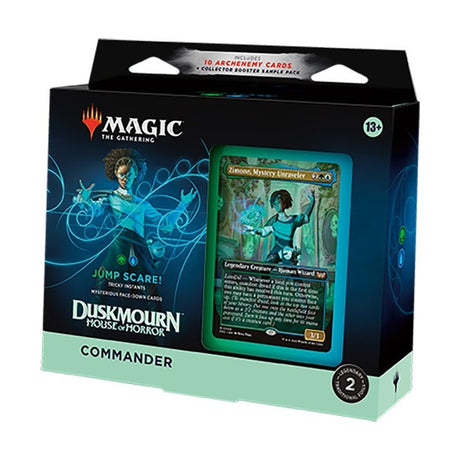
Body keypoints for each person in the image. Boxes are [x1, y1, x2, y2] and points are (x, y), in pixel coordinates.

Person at [74, 148, 196, 301]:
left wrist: (182, 205)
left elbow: (164, 224)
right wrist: (85, 201)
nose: (125, 178)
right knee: (100, 293)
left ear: (135, 174)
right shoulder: (111, 198)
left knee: (152, 297)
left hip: (140, 250)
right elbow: (95, 209)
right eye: (122, 174)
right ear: (116, 173)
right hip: (118, 248)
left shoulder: (143, 204)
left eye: (129, 174)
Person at [245, 189, 315, 265]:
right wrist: (255, 230)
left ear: (284, 203)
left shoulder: (293, 220)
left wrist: (312, 201)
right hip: (276, 252)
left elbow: (305, 218)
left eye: (278, 203)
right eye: (274, 204)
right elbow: (264, 231)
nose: (276, 205)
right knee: (265, 267)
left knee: (289, 269)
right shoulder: (273, 220)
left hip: (288, 253)